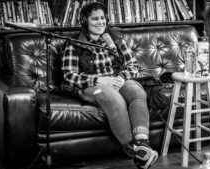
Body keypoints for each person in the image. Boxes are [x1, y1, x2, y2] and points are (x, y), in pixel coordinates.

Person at [61, 2, 158, 169]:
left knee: (137, 92)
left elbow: (133, 64)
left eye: (102, 18)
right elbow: (69, 75)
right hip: (92, 84)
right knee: (114, 99)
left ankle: (142, 143)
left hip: (115, 79)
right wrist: (98, 80)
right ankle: (134, 150)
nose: (100, 22)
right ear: (85, 21)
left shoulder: (115, 38)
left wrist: (122, 77)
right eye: (95, 19)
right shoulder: (74, 43)